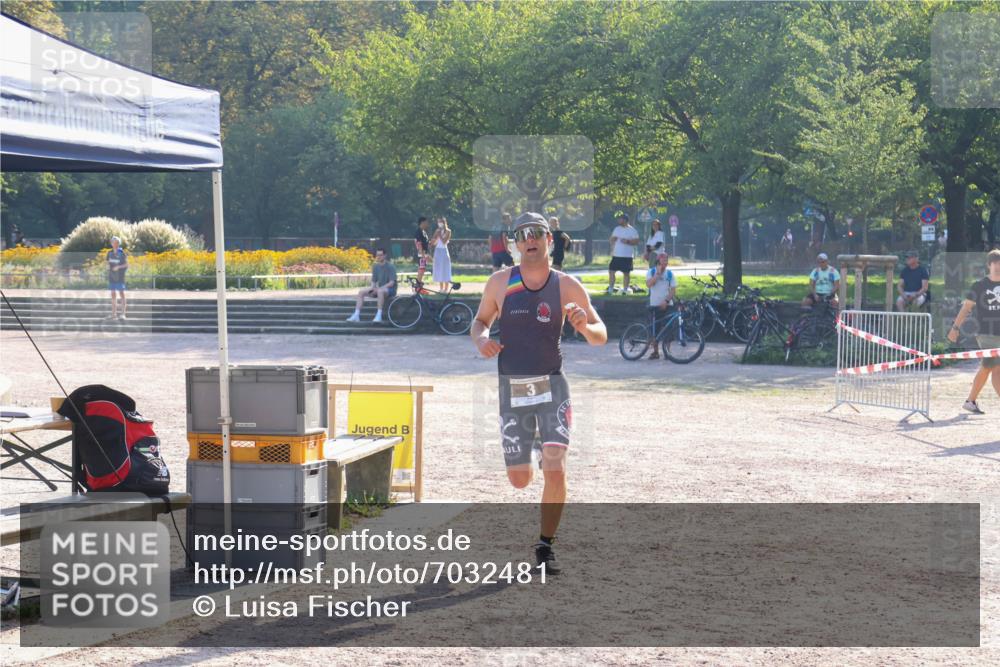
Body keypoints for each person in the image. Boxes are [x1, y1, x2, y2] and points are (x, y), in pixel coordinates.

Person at [470, 212, 607, 575]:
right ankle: (530, 447)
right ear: (516, 243)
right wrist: (482, 338)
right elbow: (480, 321)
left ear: (549, 239)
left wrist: (584, 327)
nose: (530, 239)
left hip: (552, 386)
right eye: (522, 234)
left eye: (537, 233)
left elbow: (601, 334)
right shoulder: (500, 282)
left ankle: (545, 545)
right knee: (519, 480)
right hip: (512, 389)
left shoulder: (566, 286)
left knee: (555, 464)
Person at [947, 248, 1000, 414]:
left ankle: (970, 401)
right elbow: (966, 309)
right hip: (986, 334)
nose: (998, 266)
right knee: (995, 368)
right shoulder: (979, 286)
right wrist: (955, 328)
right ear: (989, 265)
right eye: (995, 263)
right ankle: (970, 401)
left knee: (988, 368)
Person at [346, 248, 397, 323]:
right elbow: (373, 281)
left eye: (380, 255)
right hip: (379, 289)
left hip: (390, 290)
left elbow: (391, 283)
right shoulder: (375, 266)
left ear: (385, 256)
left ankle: (379, 315)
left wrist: (379, 288)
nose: (378, 257)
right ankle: (356, 315)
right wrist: (372, 288)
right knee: (361, 292)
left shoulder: (390, 266)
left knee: (380, 291)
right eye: (377, 255)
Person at [645, 251, 677, 360]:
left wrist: (667, 301)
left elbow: (673, 290)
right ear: (658, 262)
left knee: (669, 328)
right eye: (663, 262)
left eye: (666, 262)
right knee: (655, 329)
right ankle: (655, 352)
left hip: (668, 305)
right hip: (654, 305)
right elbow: (649, 284)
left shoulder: (670, 274)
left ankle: (667, 351)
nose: (665, 264)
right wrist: (657, 274)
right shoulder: (651, 271)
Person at [608, 212, 639, 293]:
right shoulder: (617, 229)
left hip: (627, 256)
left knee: (626, 273)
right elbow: (611, 240)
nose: (619, 220)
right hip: (616, 255)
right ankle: (611, 288)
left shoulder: (632, 230)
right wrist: (612, 239)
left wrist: (628, 241)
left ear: (625, 220)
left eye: (620, 219)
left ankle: (625, 289)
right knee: (611, 271)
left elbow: (636, 241)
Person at [107, 236, 128, 320]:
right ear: (111, 243)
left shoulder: (122, 253)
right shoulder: (109, 253)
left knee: (121, 294)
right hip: (112, 277)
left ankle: (123, 314)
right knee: (113, 294)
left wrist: (118, 267)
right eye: (113, 243)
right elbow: (107, 262)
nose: (115, 244)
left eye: (117, 243)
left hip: (120, 277)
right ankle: (113, 314)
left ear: (118, 244)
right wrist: (107, 266)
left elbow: (126, 265)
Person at [431, 216, 453, 290]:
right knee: (439, 269)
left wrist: (439, 234)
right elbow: (433, 243)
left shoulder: (448, 231)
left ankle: (446, 288)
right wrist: (435, 236)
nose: (439, 223)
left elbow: (444, 242)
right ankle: (441, 288)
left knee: (445, 269)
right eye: (438, 222)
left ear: (444, 223)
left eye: (440, 222)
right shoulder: (437, 231)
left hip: (444, 251)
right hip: (437, 251)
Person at [413, 217, 430, 284]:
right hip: (421, 253)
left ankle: (419, 286)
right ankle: (418, 286)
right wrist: (422, 255)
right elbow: (418, 243)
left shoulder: (423, 232)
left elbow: (425, 242)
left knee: (422, 269)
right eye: (426, 222)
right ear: (422, 222)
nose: (427, 224)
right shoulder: (418, 231)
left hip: (424, 253)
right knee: (421, 269)